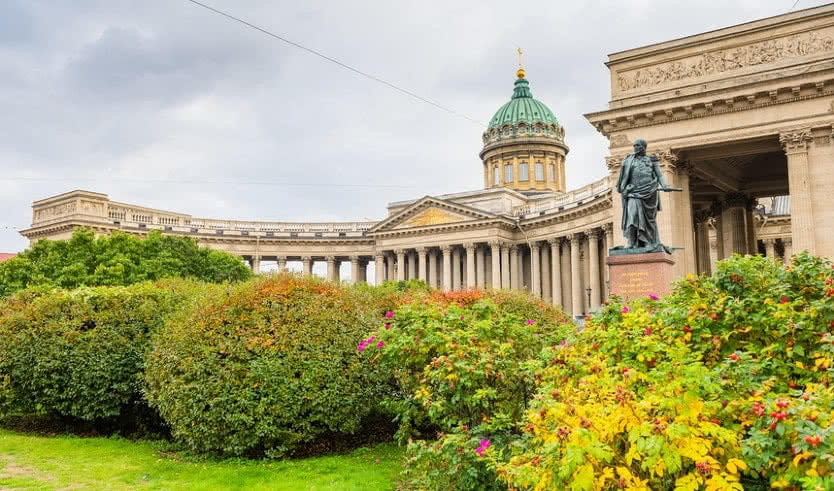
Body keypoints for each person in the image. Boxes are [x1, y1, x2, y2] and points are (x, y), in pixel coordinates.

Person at [616, 139, 671, 250]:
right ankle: (631, 242)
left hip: (649, 192)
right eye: (634, 146)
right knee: (632, 217)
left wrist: (665, 185)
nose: (635, 148)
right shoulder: (628, 160)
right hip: (633, 192)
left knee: (649, 221)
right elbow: (622, 179)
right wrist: (625, 188)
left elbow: (659, 175)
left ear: (644, 147)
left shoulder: (652, 160)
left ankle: (648, 242)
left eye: (638, 145)